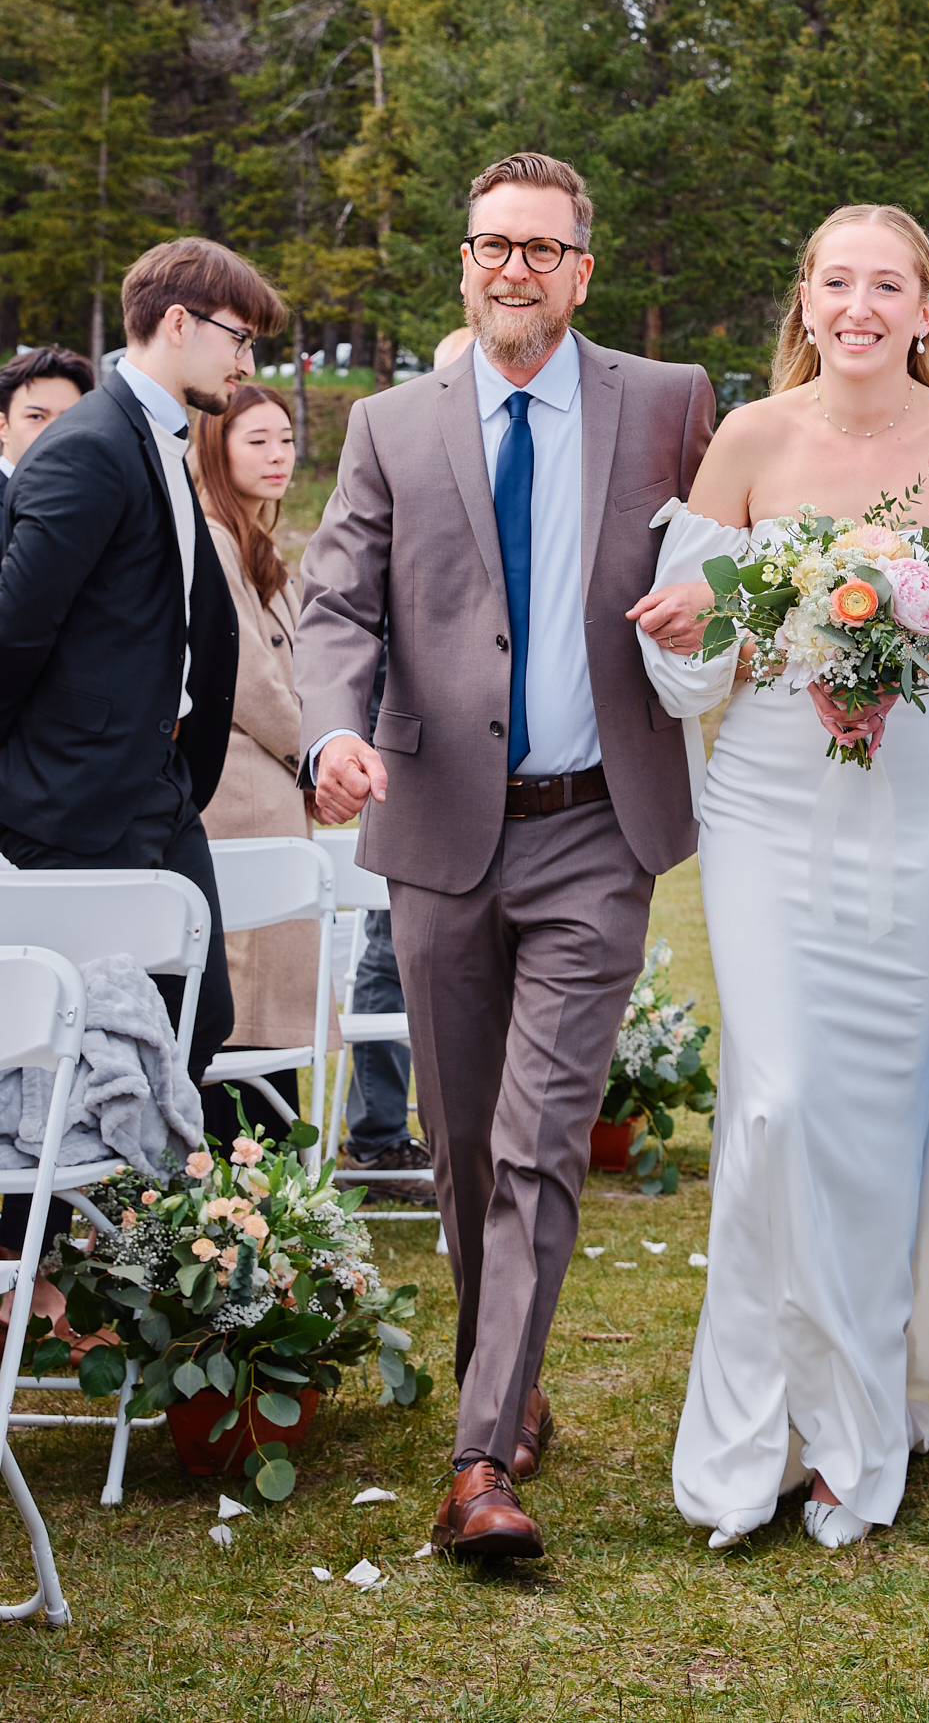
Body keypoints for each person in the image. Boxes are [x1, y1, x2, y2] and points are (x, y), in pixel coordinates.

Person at [294, 151, 715, 1562]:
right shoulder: (388, 425)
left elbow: (740, 552)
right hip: (435, 829)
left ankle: (478, 1463)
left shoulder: (665, 404)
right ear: (464, 265)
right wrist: (330, 736)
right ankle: (510, 1382)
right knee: (461, 1147)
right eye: (494, 245)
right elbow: (337, 602)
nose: (516, 268)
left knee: (541, 1139)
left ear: (582, 271)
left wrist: (720, 596)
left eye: (543, 248)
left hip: (601, 823)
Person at [632, 203, 929, 1553]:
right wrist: (698, 633)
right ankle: (748, 1432)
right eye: (837, 282)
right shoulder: (749, 439)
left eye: (891, 285)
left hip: (914, 816)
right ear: (803, 301)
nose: (860, 306)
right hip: (765, 801)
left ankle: (858, 1433)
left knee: (872, 1127)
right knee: (775, 1105)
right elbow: (684, 669)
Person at [0, 239, 287, 1086]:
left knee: (199, 1016)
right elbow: (15, 630)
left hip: (157, 787)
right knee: (78, 1042)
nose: (245, 362)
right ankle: (49, 1219)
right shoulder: (90, 445)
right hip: (78, 797)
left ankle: (137, 1218)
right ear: (176, 322)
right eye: (238, 338)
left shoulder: (161, 436)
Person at [190, 381, 338, 1143]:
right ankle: (236, 1201)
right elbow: (251, 674)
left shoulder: (253, 539)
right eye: (258, 440)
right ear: (215, 447)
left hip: (268, 794)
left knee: (270, 1019)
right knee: (242, 1011)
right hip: (241, 798)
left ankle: (268, 1204)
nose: (279, 455)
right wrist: (314, 757)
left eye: (285, 438)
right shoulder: (212, 536)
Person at [0, 345, 94, 541]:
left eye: (69, 417)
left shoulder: (92, 499)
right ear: (3, 427)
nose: (55, 431)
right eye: (36, 416)